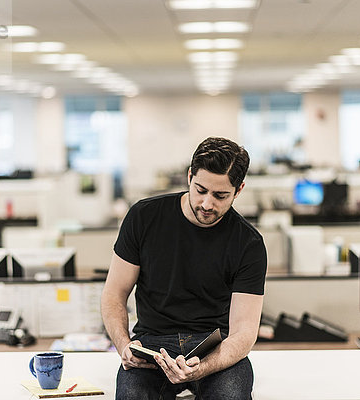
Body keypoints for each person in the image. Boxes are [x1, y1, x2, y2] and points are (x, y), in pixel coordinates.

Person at [101, 137, 267, 400]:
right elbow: (114, 294)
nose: (207, 204)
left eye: (220, 195)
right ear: (189, 176)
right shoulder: (144, 217)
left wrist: (203, 368)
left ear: (239, 190)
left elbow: (244, 333)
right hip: (152, 346)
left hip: (214, 347)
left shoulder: (249, 243)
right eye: (200, 190)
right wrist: (124, 345)